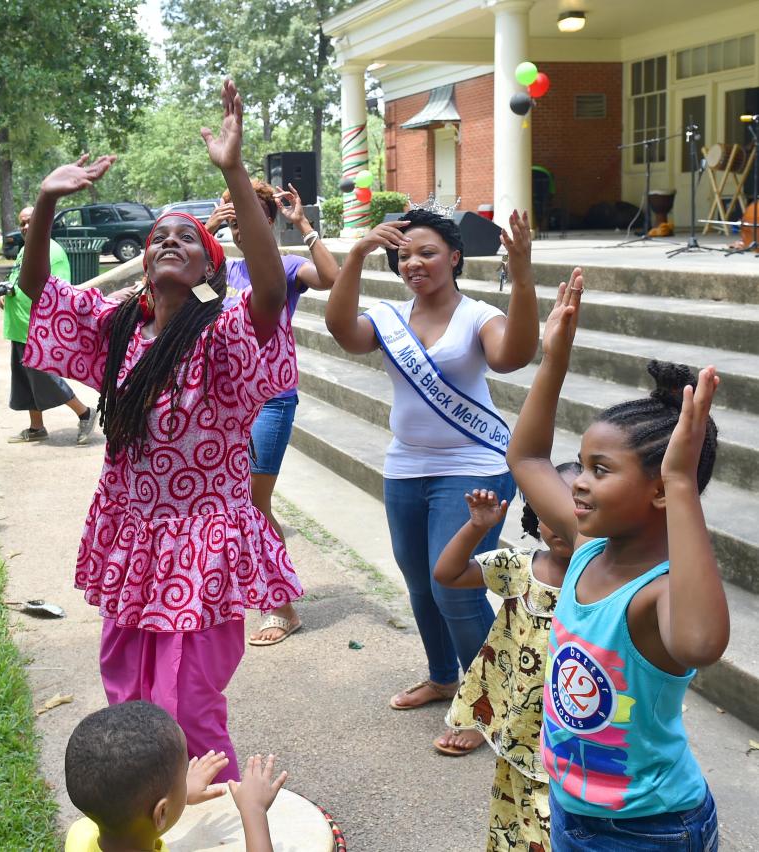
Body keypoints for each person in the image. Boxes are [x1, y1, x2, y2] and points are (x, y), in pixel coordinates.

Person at [19, 81, 302, 780]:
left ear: (208, 268)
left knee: (190, 707)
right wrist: (48, 205)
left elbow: (270, 293)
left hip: (204, 540)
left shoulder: (226, 332)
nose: (169, 243)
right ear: (144, 264)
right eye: (157, 239)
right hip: (133, 533)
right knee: (129, 697)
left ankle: (222, 817)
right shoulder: (117, 329)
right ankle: (149, 815)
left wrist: (234, 171)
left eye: (187, 239)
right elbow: (36, 294)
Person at [508, 274, 727, 850]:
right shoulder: (586, 549)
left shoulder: (660, 592)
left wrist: (680, 480)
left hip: (650, 829)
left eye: (599, 470)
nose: (577, 484)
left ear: (659, 492)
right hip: (571, 807)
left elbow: (702, 644)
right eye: (581, 465)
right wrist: (554, 360)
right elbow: (528, 457)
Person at [323, 205, 539, 756]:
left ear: (455, 258)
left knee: (455, 587)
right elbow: (343, 333)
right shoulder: (390, 317)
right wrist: (354, 256)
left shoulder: (477, 316)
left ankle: (485, 702)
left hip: (474, 469)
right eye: (404, 254)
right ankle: (444, 677)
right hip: (406, 468)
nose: (413, 262)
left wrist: (522, 274)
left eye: (428, 252)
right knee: (421, 584)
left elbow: (513, 356)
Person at [205, 180, 339, 647]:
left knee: (253, 504)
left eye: (247, 215)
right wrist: (207, 229)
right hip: (226, 400)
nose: (239, 225)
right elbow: (182, 292)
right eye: (232, 217)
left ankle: (281, 606)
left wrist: (302, 224)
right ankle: (263, 590)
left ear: (267, 220)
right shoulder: (224, 270)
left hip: (271, 397)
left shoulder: (284, 266)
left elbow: (333, 278)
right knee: (237, 501)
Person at [433, 467, 578, 851]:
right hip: (519, 721)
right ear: (533, 514)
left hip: (569, 731)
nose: (562, 525)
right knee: (516, 814)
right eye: (550, 512)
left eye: (576, 512)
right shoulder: (519, 567)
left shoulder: (603, 580)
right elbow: (447, 573)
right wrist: (478, 527)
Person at [64, 702, 287, 852]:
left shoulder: (80, 834)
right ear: (160, 813)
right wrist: (253, 811)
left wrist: (178, 793)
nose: (187, 778)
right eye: (183, 777)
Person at [1, 205, 97, 445]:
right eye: (22, 222)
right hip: (19, 326)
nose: (25, 227)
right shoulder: (27, 249)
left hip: (37, 328)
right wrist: (7, 292)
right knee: (25, 379)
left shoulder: (51, 251)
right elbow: (17, 278)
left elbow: (59, 288)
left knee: (44, 377)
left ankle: (85, 412)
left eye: (30, 221)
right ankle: (36, 427)